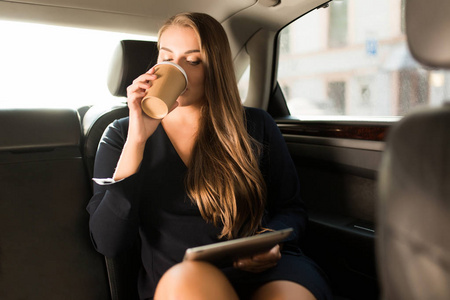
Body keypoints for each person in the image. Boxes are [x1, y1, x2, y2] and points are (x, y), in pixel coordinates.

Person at [87, 12, 332, 300]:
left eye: (192, 61)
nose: (175, 68)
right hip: (183, 279)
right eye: (166, 59)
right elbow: (108, 242)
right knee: (188, 280)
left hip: (268, 268)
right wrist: (138, 139)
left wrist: (270, 241)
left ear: (214, 68)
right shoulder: (121, 134)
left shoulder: (256, 125)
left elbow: (291, 209)